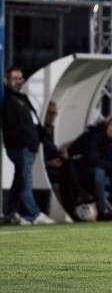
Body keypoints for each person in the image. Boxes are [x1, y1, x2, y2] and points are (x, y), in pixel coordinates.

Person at [2, 67, 54, 225]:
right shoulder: (8, 99)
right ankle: (33, 213)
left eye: (20, 78)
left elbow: (34, 121)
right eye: (15, 78)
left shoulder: (22, 98)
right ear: (6, 80)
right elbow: (11, 126)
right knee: (25, 180)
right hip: (20, 147)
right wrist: (24, 142)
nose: (18, 81)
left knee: (19, 180)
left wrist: (40, 138)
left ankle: (11, 213)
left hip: (29, 147)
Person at [68, 115, 112, 221]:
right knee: (101, 172)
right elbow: (92, 160)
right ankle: (103, 211)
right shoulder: (94, 136)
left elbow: (108, 162)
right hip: (77, 170)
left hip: (95, 169)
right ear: (107, 125)